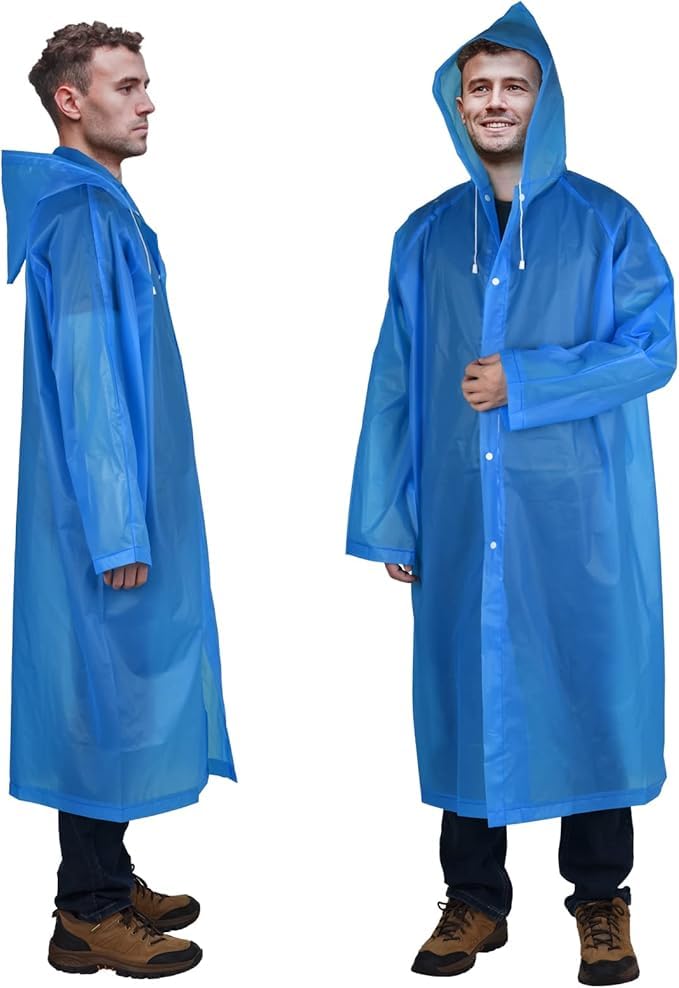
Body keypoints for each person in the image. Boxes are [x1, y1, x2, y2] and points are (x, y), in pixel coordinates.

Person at [346, 3, 675, 984]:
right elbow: (395, 379)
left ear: (544, 100)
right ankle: (474, 899)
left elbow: (653, 348)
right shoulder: (425, 235)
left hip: (579, 517)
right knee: (467, 686)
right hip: (460, 513)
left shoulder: (604, 222)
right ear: (458, 105)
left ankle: (601, 899)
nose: (495, 102)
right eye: (479, 87)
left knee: (588, 684)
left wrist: (525, 381)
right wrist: (391, 513)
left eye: (513, 86)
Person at [2, 21, 236, 977]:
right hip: (101, 514)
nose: (147, 103)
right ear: (71, 100)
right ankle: (86, 912)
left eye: (144, 85)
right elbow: (92, 379)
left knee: (114, 690)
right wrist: (116, 530)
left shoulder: (95, 207)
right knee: (97, 697)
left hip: (121, 502)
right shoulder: (86, 215)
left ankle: (103, 872)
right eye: (126, 86)